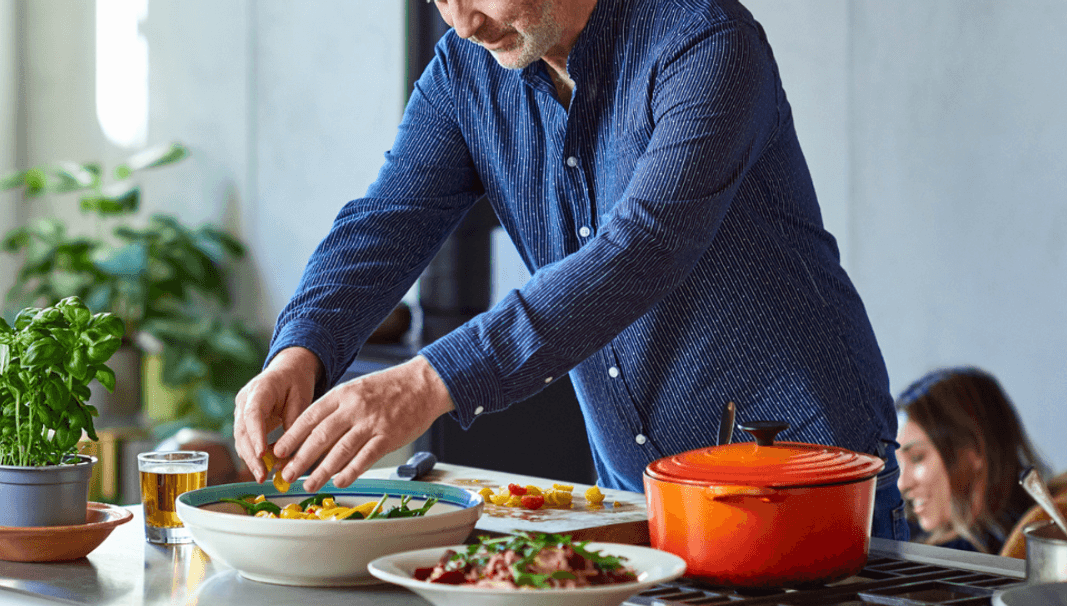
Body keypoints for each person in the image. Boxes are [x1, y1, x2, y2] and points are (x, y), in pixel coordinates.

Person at [232, 0, 909, 540]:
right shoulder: (463, 72)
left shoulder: (705, 42)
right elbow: (386, 220)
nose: (462, 20)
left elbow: (642, 246)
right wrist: (300, 351)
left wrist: (433, 379)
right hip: (632, 491)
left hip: (802, 477)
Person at [895, 367, 1045, 554]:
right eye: (899, 462)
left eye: (917, 458)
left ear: (973, 450)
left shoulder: (974, 555)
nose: (902, 484)